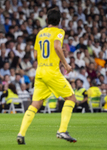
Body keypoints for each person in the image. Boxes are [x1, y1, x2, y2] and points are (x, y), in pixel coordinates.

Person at [17, 8, 77, 144]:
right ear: (59, 21)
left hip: (40, 71)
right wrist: (66, 65)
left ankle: (21, 133)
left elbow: (35, 55)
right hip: (52, 71)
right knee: (71, 98)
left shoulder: (40, 33)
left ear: (47, 20)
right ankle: (62, 130)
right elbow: (56, 46)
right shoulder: (59, 32)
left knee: (35, 104)